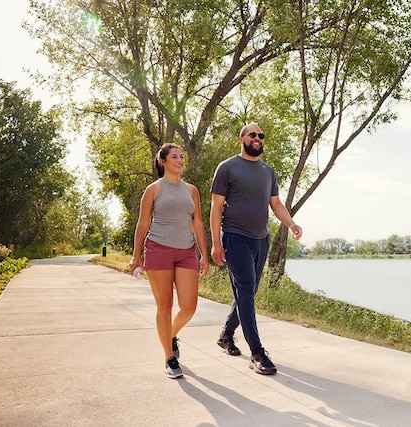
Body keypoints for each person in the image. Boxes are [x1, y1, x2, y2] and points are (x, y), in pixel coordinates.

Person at [210, 122, 302, 375]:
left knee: (245, 294)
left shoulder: (267, 171)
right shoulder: (227, 167)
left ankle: (226, 335)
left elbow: (276, 204)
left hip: (261, 239)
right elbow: (216, 207)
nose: (258, 138)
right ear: (242, 138)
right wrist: (216, 243)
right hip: (235, 237)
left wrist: (291, 223)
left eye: (261, 135)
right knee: (247, 294)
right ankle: (258, 353)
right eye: (253, 134)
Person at [129, 143, 209, 379]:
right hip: (158, 249)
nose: (180, 160)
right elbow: (143, 223)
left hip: (186, 252)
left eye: (182, 157)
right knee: (164, 305)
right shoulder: (154, 190)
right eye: (174, 156)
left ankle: (170, 335)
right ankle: (169, 357)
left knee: (189, 307)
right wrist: (136, 256)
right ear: (162, 161)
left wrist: (204, 254)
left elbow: (197, 223)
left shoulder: (192, 190)